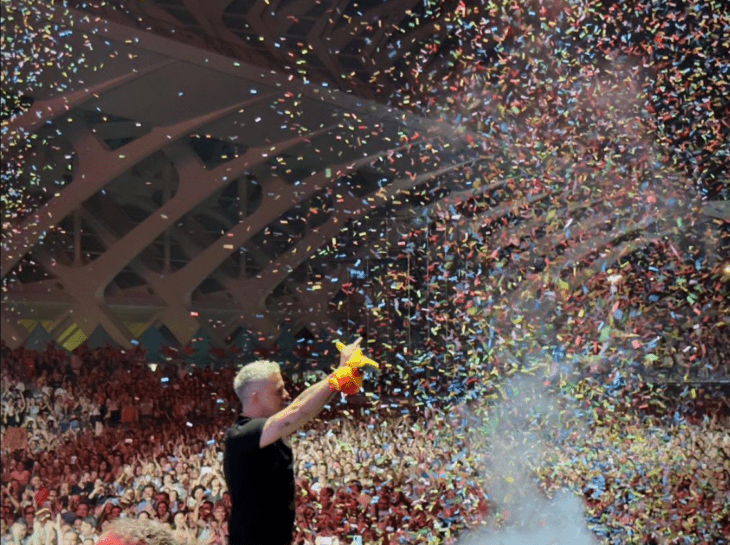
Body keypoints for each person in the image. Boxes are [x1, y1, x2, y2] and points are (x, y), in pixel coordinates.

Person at [224, 338, 376, 545]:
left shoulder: (268, 433)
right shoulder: (241, 435)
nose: (286, 395)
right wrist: (339, 372)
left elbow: (304, 410)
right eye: (278, 391)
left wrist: (340, 380)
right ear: (255, 397)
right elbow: (297, 411)